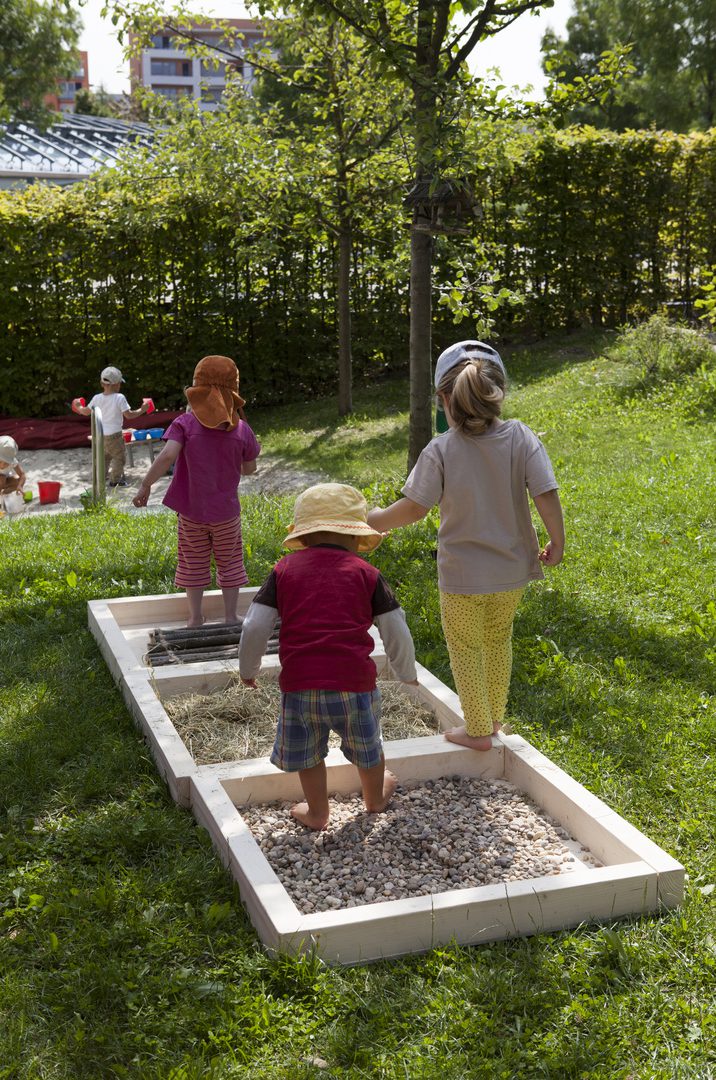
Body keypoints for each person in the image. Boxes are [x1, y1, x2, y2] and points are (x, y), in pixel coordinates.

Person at [367, 340, 565, 751]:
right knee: (497, 640)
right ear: (499, 392)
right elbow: (545, 491)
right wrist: (557, 540)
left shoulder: (441, 448)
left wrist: (373, 520)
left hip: (461, 576)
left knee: (465, 647)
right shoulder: (521, 437)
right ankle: (492, 720)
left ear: (444, 399)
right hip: (512, 570)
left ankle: (476, 731)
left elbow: (415, 508)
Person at [238, 483, 418, 831]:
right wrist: (404, 670)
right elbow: (396, 627)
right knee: (368, 746)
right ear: (354, 537)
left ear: (303, 536)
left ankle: (318, 812)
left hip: (300, 687)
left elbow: (255, 626)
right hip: (354, 685)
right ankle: (374, 797)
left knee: (309, 754)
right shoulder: (366, 574)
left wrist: (249, 667)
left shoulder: (284, 571)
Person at [132, 355, 260, 628]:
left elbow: (167, 456)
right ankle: (229, 616)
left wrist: (146, 485)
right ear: (234, 393)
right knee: (230, 563)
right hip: (226, 513)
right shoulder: (242, 429)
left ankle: (194, 617)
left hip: (191, 513)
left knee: (193, 563)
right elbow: (249, 469)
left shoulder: (184, 424)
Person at [71, 366, 150, 487]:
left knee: (104, 458)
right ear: (117, 384)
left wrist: (77, 406)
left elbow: (86, 412)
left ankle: (100, 479)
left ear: (102, 383)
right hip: (115, 435)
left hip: (100, 435)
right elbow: (129, 415)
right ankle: (115, 480)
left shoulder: (97, 398)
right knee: (119, 458)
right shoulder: (119, 398)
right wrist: (142, 409)